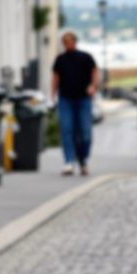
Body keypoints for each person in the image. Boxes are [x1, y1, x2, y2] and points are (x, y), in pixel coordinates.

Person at [50, 30, 101, 176]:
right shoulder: (60, 59)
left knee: (85, 132)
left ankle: (83, 160)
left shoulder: (86, 57)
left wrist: (93, 87)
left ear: (75, 42)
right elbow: (55, 78)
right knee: (67, 130)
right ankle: (68, 161)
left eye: (69, 41)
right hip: (65, 99)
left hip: (83, 99)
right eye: (65, 42)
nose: (67, 44)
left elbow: (95, 73)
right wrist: (53, 95)